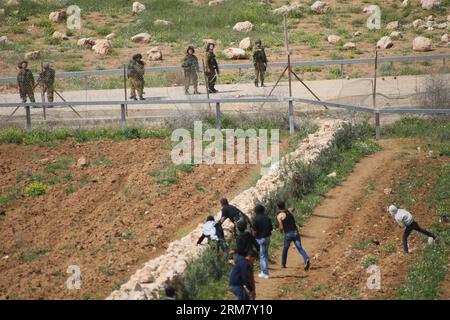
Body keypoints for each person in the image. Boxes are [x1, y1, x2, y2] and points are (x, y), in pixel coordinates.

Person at [277, 201, 310, 271]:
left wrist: (281, 231)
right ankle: (306, 258)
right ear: (284, 205)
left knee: (285, 249)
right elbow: (293, 208)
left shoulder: (279, 216)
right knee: (299, 248)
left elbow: (281, 227)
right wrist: (288, 209)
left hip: (288, 234)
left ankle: (283, 264)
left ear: (278, 207)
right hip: (295, 232)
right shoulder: (289, 210)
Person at [234, 219, 259, 300]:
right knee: (251, 278)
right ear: (245, 227)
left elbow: (240, 250)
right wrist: (256, 252)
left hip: (241, 259)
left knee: (241, 278)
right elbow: (256, 245)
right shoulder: (248, 235)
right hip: (250, 258)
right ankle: (252, 295)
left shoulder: (238, 237)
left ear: (238, 228)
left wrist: (234, 251)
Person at [252, 204, 273, 278]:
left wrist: (253, 238)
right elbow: (271, 228)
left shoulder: (255, 219)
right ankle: (263, 271)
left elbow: (254, 231)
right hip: (268, 237)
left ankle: (265, 273)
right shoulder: (267, 217)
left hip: (260, 239)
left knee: (262, 255)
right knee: (265, 255)